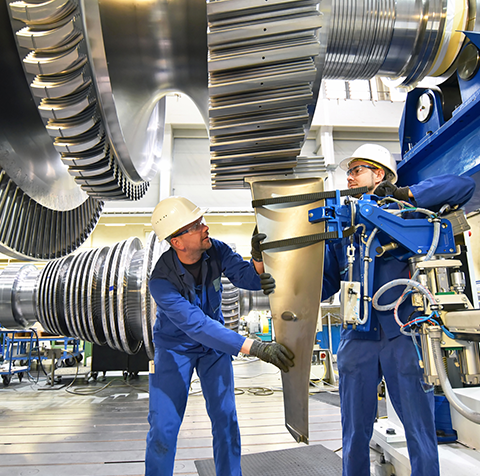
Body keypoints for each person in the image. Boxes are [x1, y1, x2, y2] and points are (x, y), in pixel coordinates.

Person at [322, 144, 475, 476]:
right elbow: (324, 285)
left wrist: (406, 195)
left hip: (401, 333)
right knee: (354, 434)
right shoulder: (343, 227)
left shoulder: (405, 215)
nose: (349, 178)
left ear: (379, 174)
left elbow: (464, 186)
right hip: (356, 338)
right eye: (348, 172)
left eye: (357, 170)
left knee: (420, 430)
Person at [145, 196, 294, 476]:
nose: (205, 227)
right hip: (176, 349)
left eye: (201, 221)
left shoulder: (216, 250)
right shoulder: (161, 282)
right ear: (177, 241)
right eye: (196, 225)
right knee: (164, 427)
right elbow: (197, 325)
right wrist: (257, 348)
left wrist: (259, 258)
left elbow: (246, 278)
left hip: (213, 350)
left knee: (225, 418)